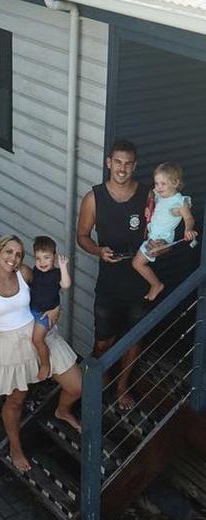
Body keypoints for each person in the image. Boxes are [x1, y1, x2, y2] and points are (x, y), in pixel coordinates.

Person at [0, 231, 82, 473]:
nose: (14, 258)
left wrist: (55, 309)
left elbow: (49, 285)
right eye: (9, 251)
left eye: (19, 254)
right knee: (16, 401)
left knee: (76, 386)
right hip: (12, 345)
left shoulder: (24, 273)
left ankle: (62, 410)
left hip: (40, 334)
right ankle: (15, 448)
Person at [76, 139, 161, 412]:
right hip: (109, 283)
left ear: (134, 165)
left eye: (128, 163)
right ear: (108, 163)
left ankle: (123, 387)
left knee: (134, 339)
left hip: (141, 283)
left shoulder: (148, 195)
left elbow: (160, 235)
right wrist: (98, 250)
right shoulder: (94, 198)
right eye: (118, 162)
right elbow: (82, 236)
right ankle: (101, 381)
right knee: (103, 341)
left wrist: (160, 246)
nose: (122, 168)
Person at [132, 162, 197, 301]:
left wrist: (188, 230)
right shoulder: (159, 195)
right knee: (138, 262)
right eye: (156, 183)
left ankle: (156, 284)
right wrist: (149, 208)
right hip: (152, 235)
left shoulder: (179, 202)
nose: (158, 187)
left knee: (137, 263)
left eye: (163, 183)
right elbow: (152, 199)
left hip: (162, 239)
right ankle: (155, 284)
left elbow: (189, 218)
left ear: (175, 183)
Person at [30, 235, 71, 381]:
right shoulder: (35, 271)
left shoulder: (56, 274)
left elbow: (65, 285)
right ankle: (35, 362)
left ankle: (45, 365)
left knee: (37, 339)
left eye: (46, 257)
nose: (42, 262)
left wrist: (63, 267)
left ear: (54, 256)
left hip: (46, 314)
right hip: (32, 310)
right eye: (38, 258)